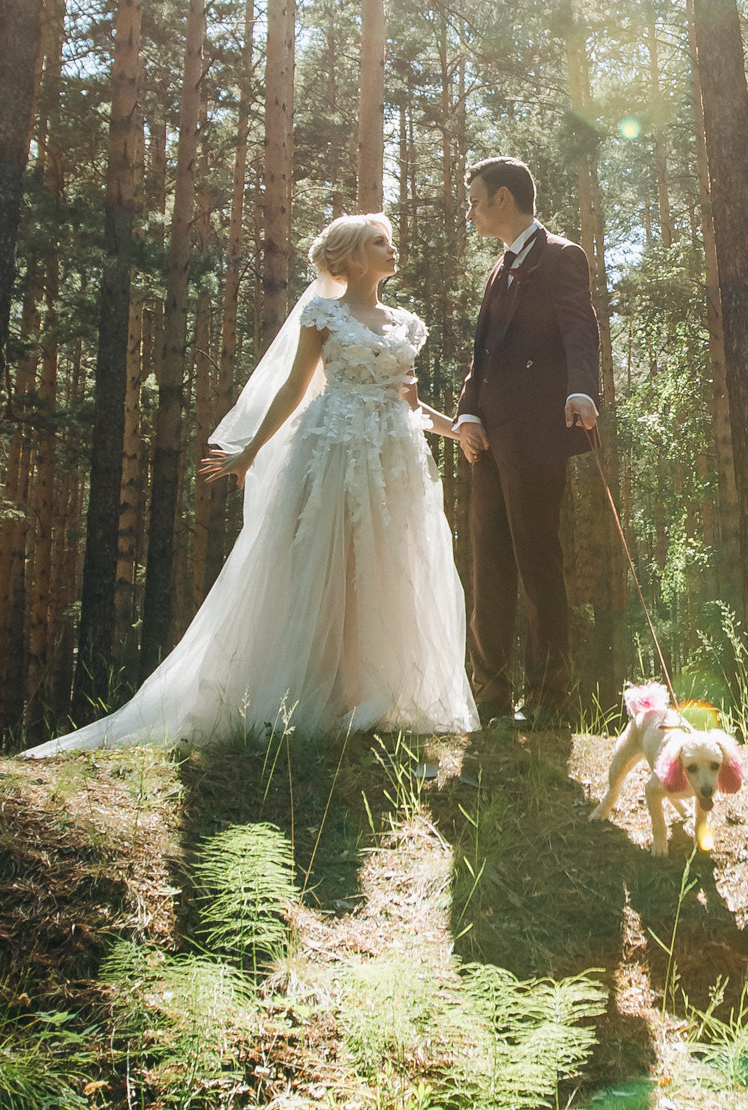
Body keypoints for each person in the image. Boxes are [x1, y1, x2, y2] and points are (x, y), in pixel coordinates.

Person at [26, 213, 475, 753]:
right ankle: (313, 693)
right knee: (325, 565)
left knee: (388, 566)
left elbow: (408, 398)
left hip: (394, 455)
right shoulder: (323, 314)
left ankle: (369, 694)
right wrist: (249, 451)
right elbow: (292, 389)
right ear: (352, 258)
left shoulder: (404, 322)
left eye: (390, 240)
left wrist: (458, 430)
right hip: (334, 449)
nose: (392, 248)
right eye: (380, 242)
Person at [453, 155, 600, 732]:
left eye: (475, 200)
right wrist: (466, 413)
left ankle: (547, 701)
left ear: (504, 199)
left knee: (537, 561)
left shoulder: (561, 256)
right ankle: (489, 699)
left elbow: (579, 327)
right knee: (488, 564)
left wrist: (583, 390)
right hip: (486, 436)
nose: (470, 212)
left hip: (537, 432)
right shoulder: (497, 268)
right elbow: (482, 356)